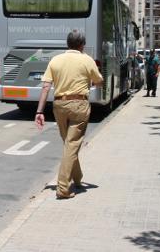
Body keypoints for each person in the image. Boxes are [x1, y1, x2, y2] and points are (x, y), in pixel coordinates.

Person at [34, 30, 104, 199]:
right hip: (79, 105)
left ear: (67, 44)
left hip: (59, 105)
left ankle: (77, 178)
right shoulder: (86, 59)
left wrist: (39, 111)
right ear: (82, 45)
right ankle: (63, 188)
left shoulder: (55, 60)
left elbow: (45, 86)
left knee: (68, 144)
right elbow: (99, 81)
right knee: (72, 145)